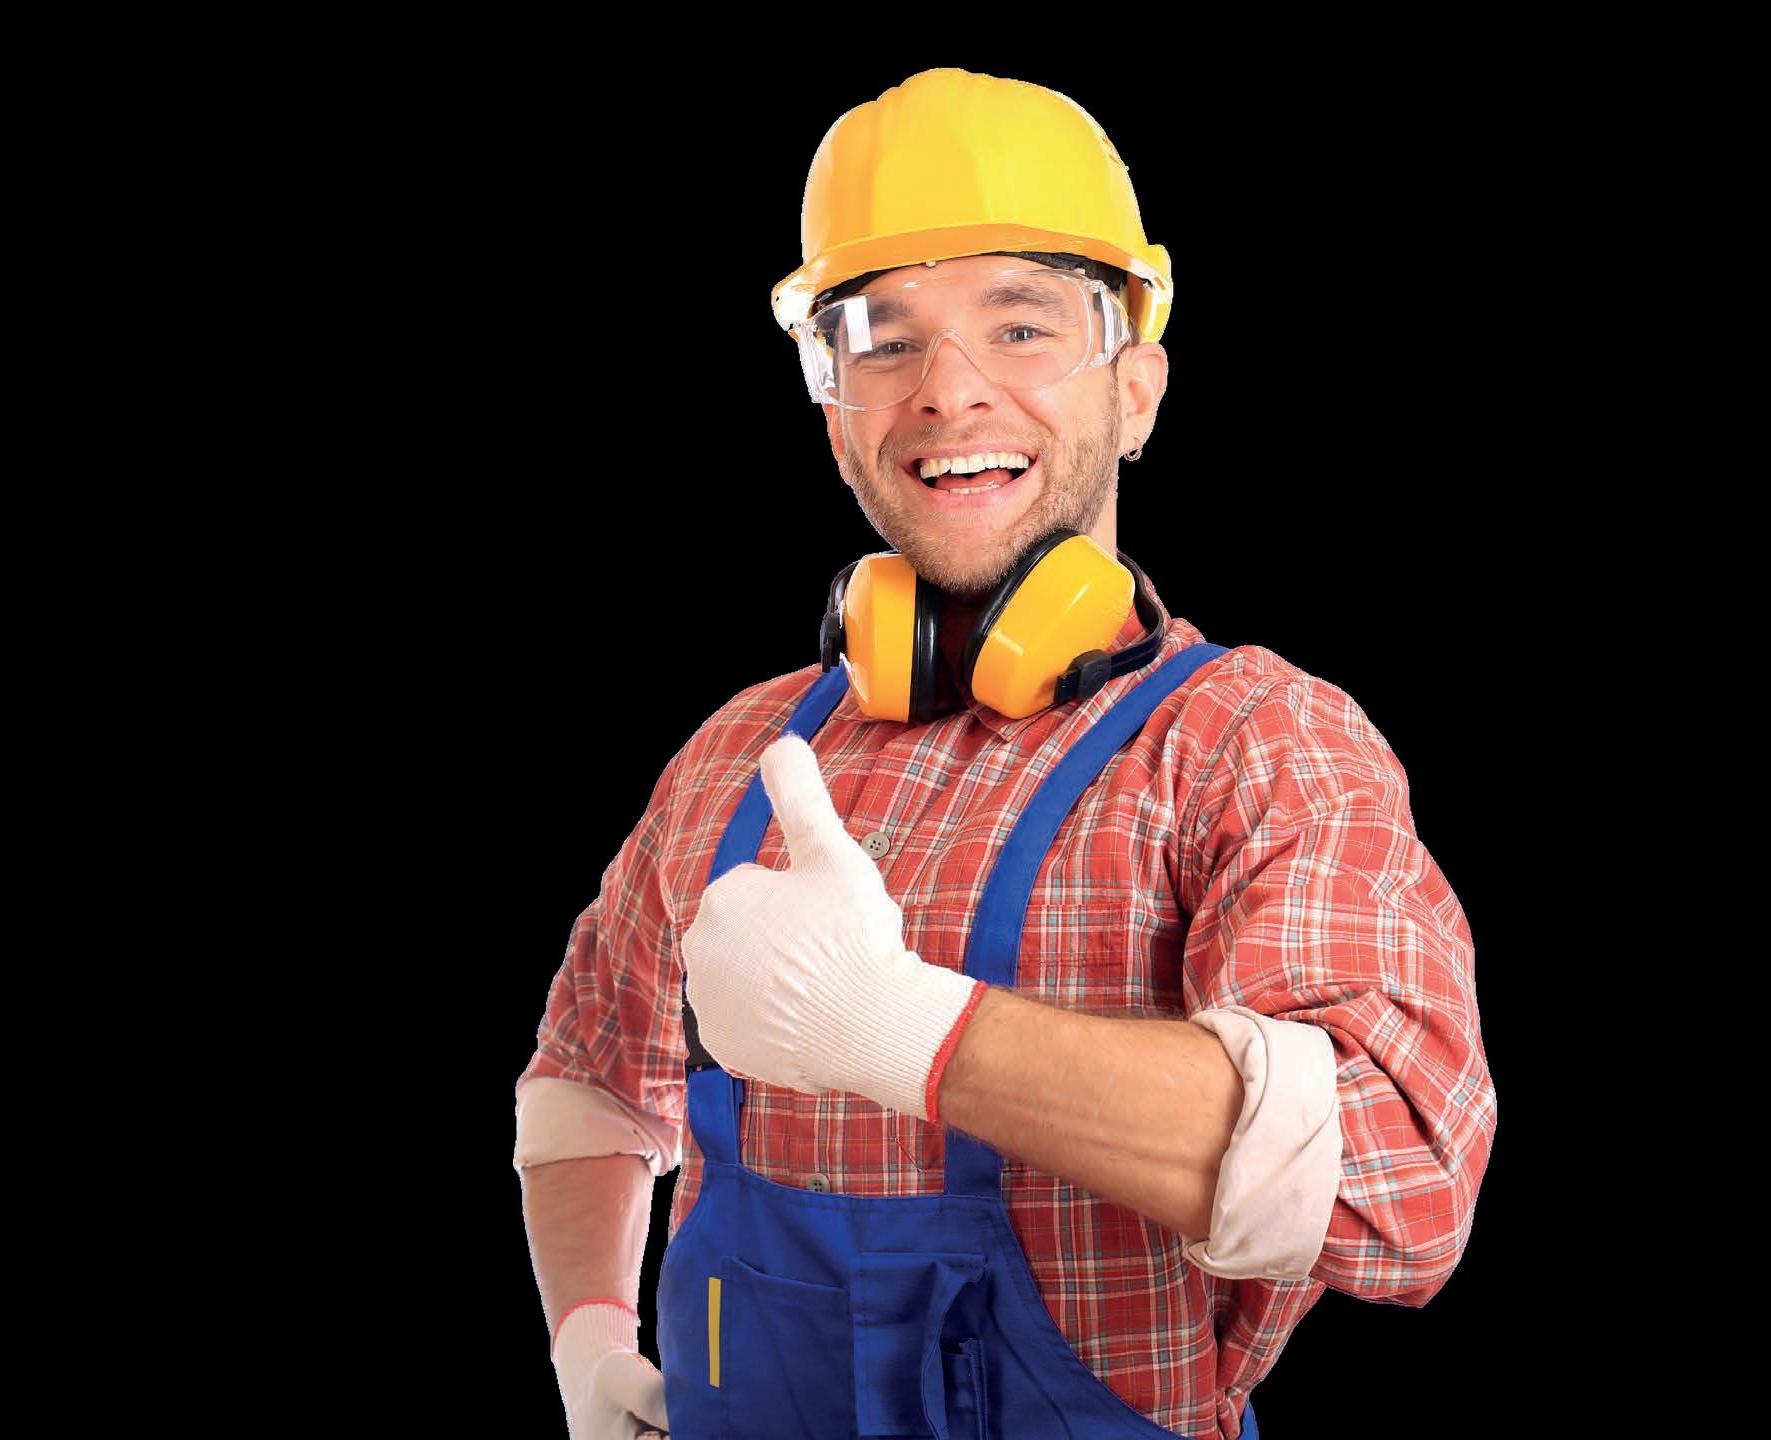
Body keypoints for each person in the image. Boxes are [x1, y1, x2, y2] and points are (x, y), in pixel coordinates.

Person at [515, 67, 1496, 1440]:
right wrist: (587, 1341)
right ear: (834, 407)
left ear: (1138, 390)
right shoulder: (738, 753)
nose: (947, 394)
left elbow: (1401, 1181)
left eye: (1020, 326)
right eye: (886, 339)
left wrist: (899, 1027)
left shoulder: (1254, 743)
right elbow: (586, 1079)